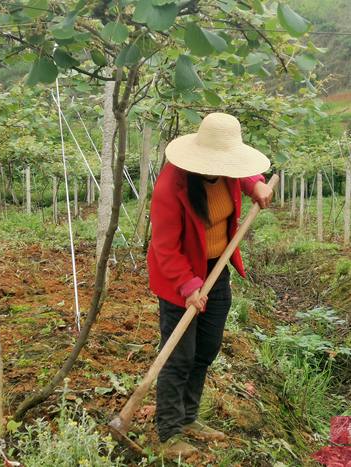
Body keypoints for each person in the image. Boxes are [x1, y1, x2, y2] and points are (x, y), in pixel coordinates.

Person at [147, 112, 274, 458]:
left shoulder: (229, 170)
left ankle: (189, 418)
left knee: (206, 347)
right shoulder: (171, 186)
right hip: (179, 274)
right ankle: (169, 432)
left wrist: (256, 183)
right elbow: (164, 247)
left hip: (216, 268)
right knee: (179, 354)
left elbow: (244, 174)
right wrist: (188, 285)